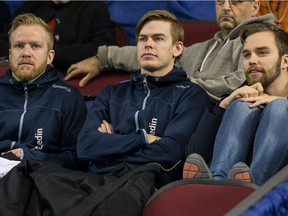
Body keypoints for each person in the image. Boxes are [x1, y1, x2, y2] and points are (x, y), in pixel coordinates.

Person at [76, 10, 210, 183]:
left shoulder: (191, 94)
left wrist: (109, 145)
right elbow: (85, 146)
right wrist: (145, 139)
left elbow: (170, 152)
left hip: (146, 183)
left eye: (158, 38)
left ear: (177, 48)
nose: (148, 44)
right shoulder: (111, 93)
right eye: (143, 39)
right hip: (97, 180)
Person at [65, 0, 274, 102]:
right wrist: (103, 57)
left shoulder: (265, 41)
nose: (226, 7)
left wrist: (181, 86)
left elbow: (240, 82)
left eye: (236, 1)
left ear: (255, 7)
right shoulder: (210, 45)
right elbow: (159, 52)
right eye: (220, 1)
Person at [183, 22, 288, 186]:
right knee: (241, 105)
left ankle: (251, 188)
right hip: (229, 185)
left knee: (280, 108)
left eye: (262, 52)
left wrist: (281, 102)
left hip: (274, 192)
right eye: (247, 55)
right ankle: (219, 183)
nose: (252, 60)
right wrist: (223, 106)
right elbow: (194, 154)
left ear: (285, 61)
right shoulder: (239, 94)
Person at [0, 13, 87, 175]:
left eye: (35, 46)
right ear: (10, 53)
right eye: (19, 46)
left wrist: (27, 156)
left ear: (49, 57)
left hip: (41, 181)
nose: (26, 53)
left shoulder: (68, 97)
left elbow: (77, 160)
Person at [0, 0, 116, 72]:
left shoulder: (94, 8)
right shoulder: (32, 6)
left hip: (66, 77)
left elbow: (103, 48)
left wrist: (44, 55)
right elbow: (5, 39)